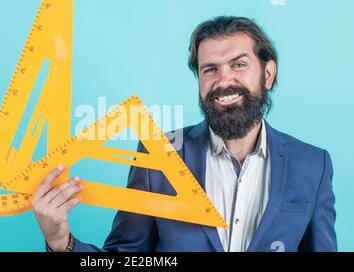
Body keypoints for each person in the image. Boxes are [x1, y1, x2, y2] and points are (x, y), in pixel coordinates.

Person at [31, 16, 337, 252]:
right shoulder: (160, 154)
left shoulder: (313, 165)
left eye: (239, 64)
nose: (223, 80)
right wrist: (62, 242)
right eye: (210, 69)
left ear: (267, 74)